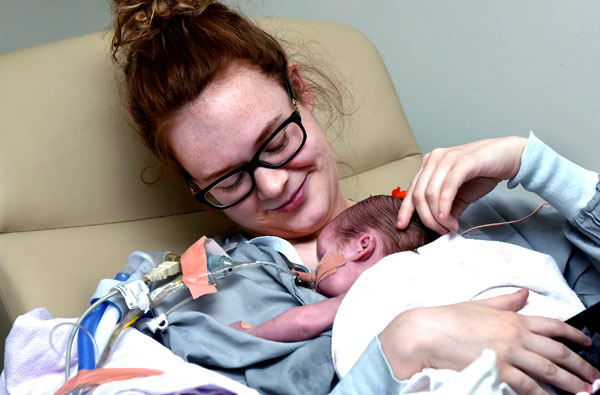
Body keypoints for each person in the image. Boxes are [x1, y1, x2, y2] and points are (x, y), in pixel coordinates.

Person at [111, 1, 600, 393]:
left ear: (299, 89)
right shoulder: (213, 301)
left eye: (277, 141)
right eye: (228, 179)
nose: (273, 185)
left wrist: (535, 165)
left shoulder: (473, 219)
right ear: (194, 185)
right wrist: (402, 347)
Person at [229, 195, 439, 342]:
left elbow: (304, 322)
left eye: (323, 257)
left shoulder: (365, 292)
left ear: (362, 246)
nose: (317, 271)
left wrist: (253, 333)